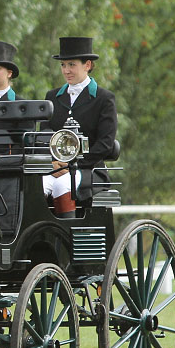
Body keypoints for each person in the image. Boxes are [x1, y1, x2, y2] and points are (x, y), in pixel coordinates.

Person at [40, 37, 117, 218]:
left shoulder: (103, 98)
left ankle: (66, 238)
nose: (66, 70)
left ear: (87, 65)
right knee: (37, 186)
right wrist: (54, 162)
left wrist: (74, 165)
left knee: (62, 184)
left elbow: (105, 143)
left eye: (72, 65)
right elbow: (45, 133)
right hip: (55, 167)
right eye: (63, 65)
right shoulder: (52, 97)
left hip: (89, 169)